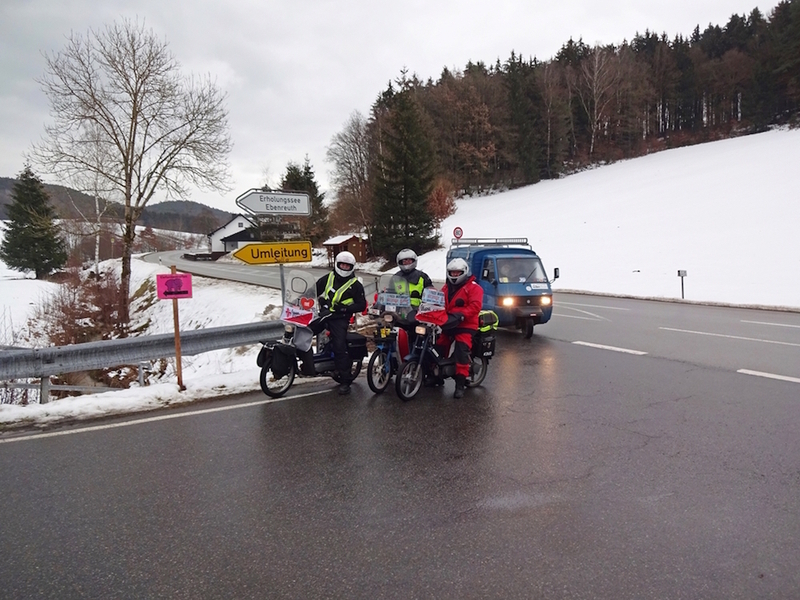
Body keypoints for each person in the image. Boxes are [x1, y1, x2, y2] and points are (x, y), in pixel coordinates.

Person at [312, 251, 367, 395]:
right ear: (337, 264)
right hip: (325, 313)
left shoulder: (355, 285)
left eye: (347, 266)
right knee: (307, 330)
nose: (344, 268)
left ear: (352, 267)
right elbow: (313, 291)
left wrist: (345, 308)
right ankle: (307, 363)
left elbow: (361, 305)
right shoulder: (328, 277)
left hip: (340, 317)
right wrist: (301, 301)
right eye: (342, 264)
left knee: (339, 345)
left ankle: (345, 380)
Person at [431, 257, 483, 398]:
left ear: (464, 272)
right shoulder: (446, 287)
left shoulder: (474, 288)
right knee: (438, 346)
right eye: (452, 273)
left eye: (457, 273)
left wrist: (461, 314)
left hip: (466, 325)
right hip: (449, 323)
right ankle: (437, 376)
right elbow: (438, 300)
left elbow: (475, 306)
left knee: (461, 350)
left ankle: (460, 384)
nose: (454, 275)